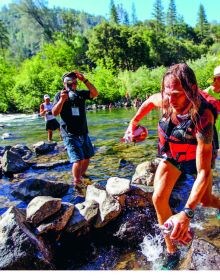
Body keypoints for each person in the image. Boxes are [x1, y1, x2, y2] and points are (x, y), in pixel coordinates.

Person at [126, 63, 220, 269]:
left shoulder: (204, 117)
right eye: (168, 93)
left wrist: (186, 214)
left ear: (192, 89)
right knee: (158, 197)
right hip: (174, 154)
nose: (171, 100)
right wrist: (133, 123)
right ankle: (172, 251)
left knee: (205, 200)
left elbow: (203, 172)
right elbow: (150, 101)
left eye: (177, 94)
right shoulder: (167, 100)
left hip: (197, 156)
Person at [52, 71, 98, 190]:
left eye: (74, 81)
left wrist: (85, 80)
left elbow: (95, 93)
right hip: (69, 133)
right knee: (78, 159)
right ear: (64, 83)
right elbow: (54, 113)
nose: (73, 83)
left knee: (87, 157)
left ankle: (81, 176)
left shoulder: (80, 94)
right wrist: (62, 100)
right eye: (69, 81)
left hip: (83, 131)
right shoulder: (59, 95)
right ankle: (77, 182)